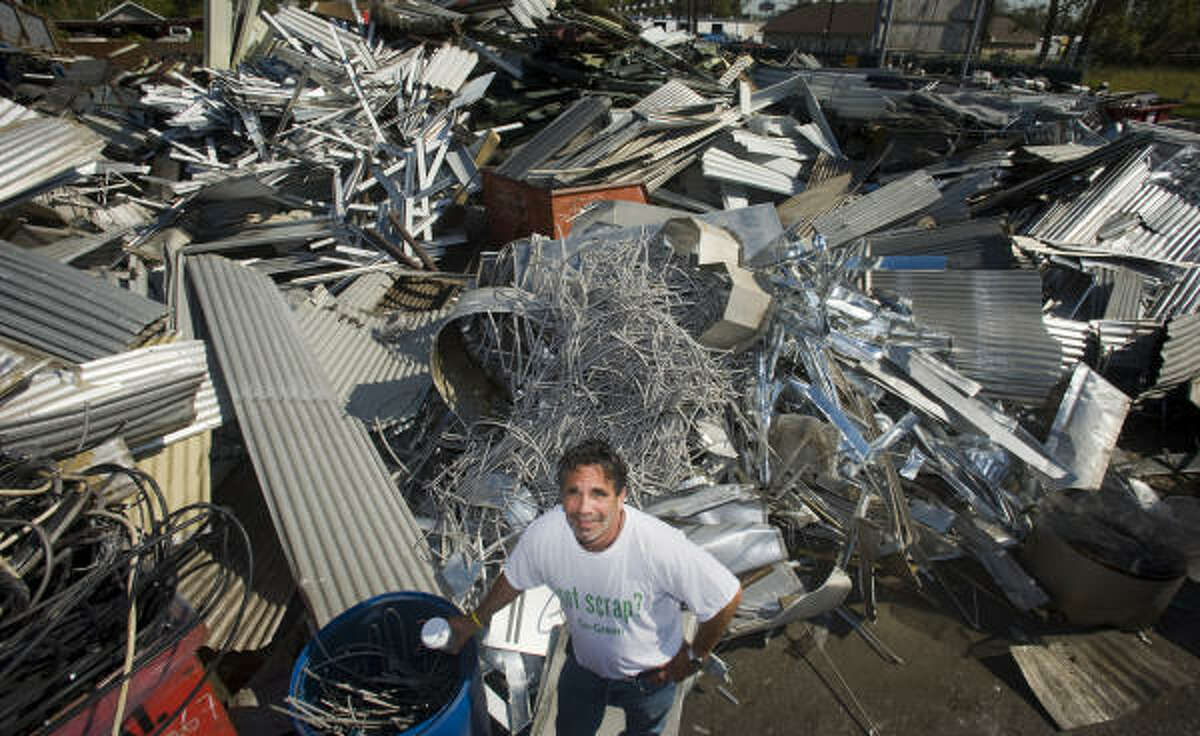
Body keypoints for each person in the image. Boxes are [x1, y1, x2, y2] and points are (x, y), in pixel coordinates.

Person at [447, 438, 742, 736]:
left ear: (621, 496)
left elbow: (726, 596)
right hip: (584, 670)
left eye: (598, 494)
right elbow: (513, 579)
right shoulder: (546, 536)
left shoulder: (658, 547)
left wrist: (695, 655)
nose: (584, 508)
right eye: (573, 493)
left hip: (649, 680)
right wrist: (473, 622)